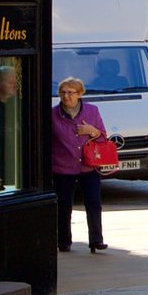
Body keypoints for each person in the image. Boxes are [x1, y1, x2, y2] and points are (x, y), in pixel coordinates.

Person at [47, 77, 111, 254]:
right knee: (64, 205)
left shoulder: (92, 111)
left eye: (70, 92)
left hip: (88, 166)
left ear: (80, 94)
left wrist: (92, 131)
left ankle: (96, 240)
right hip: (62, 166)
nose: (66, 96)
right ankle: (64, 241)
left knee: (93, 202)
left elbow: (103, 137)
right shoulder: (52, 114)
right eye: (63, 92)